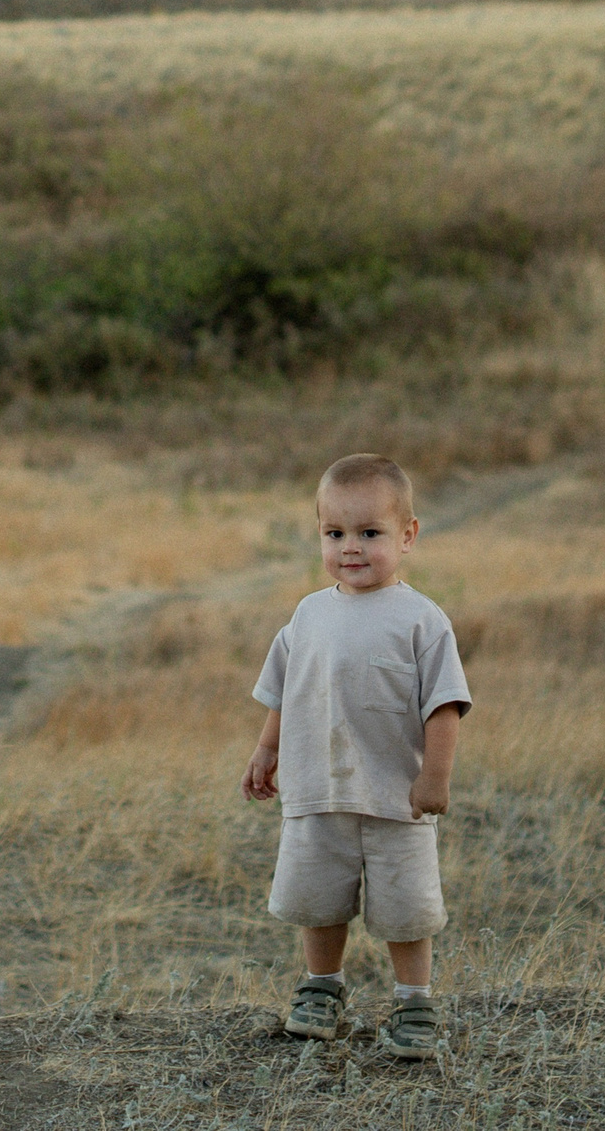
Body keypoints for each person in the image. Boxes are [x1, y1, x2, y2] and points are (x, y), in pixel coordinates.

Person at [240, 453, 469, 1058]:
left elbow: (444, 707)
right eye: (335, 533)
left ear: (408, 534)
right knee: (319, 901)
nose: (351, 548)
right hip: (317, 789)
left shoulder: (422, 621)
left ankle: (413, 1001)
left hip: (397, 799)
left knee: (406, 910)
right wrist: (267, 750)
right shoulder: (309, 615)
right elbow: (285, 690)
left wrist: (434, 780)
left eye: (370, 533)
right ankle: (321, 989)